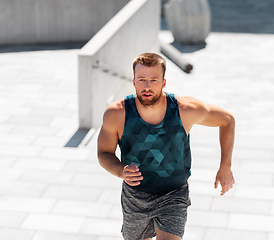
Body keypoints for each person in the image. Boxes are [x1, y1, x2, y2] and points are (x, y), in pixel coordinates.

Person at [97, 53, 235, 240]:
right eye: (142, 80)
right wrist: (121, 171)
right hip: (135, 197)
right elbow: (104, 152)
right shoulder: (117, 114)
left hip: (174, 194)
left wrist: (225, 167)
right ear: (134, 82)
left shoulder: (185, 110)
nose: (147, 86)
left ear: (163, 82)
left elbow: (227, 120)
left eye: (153, 80)